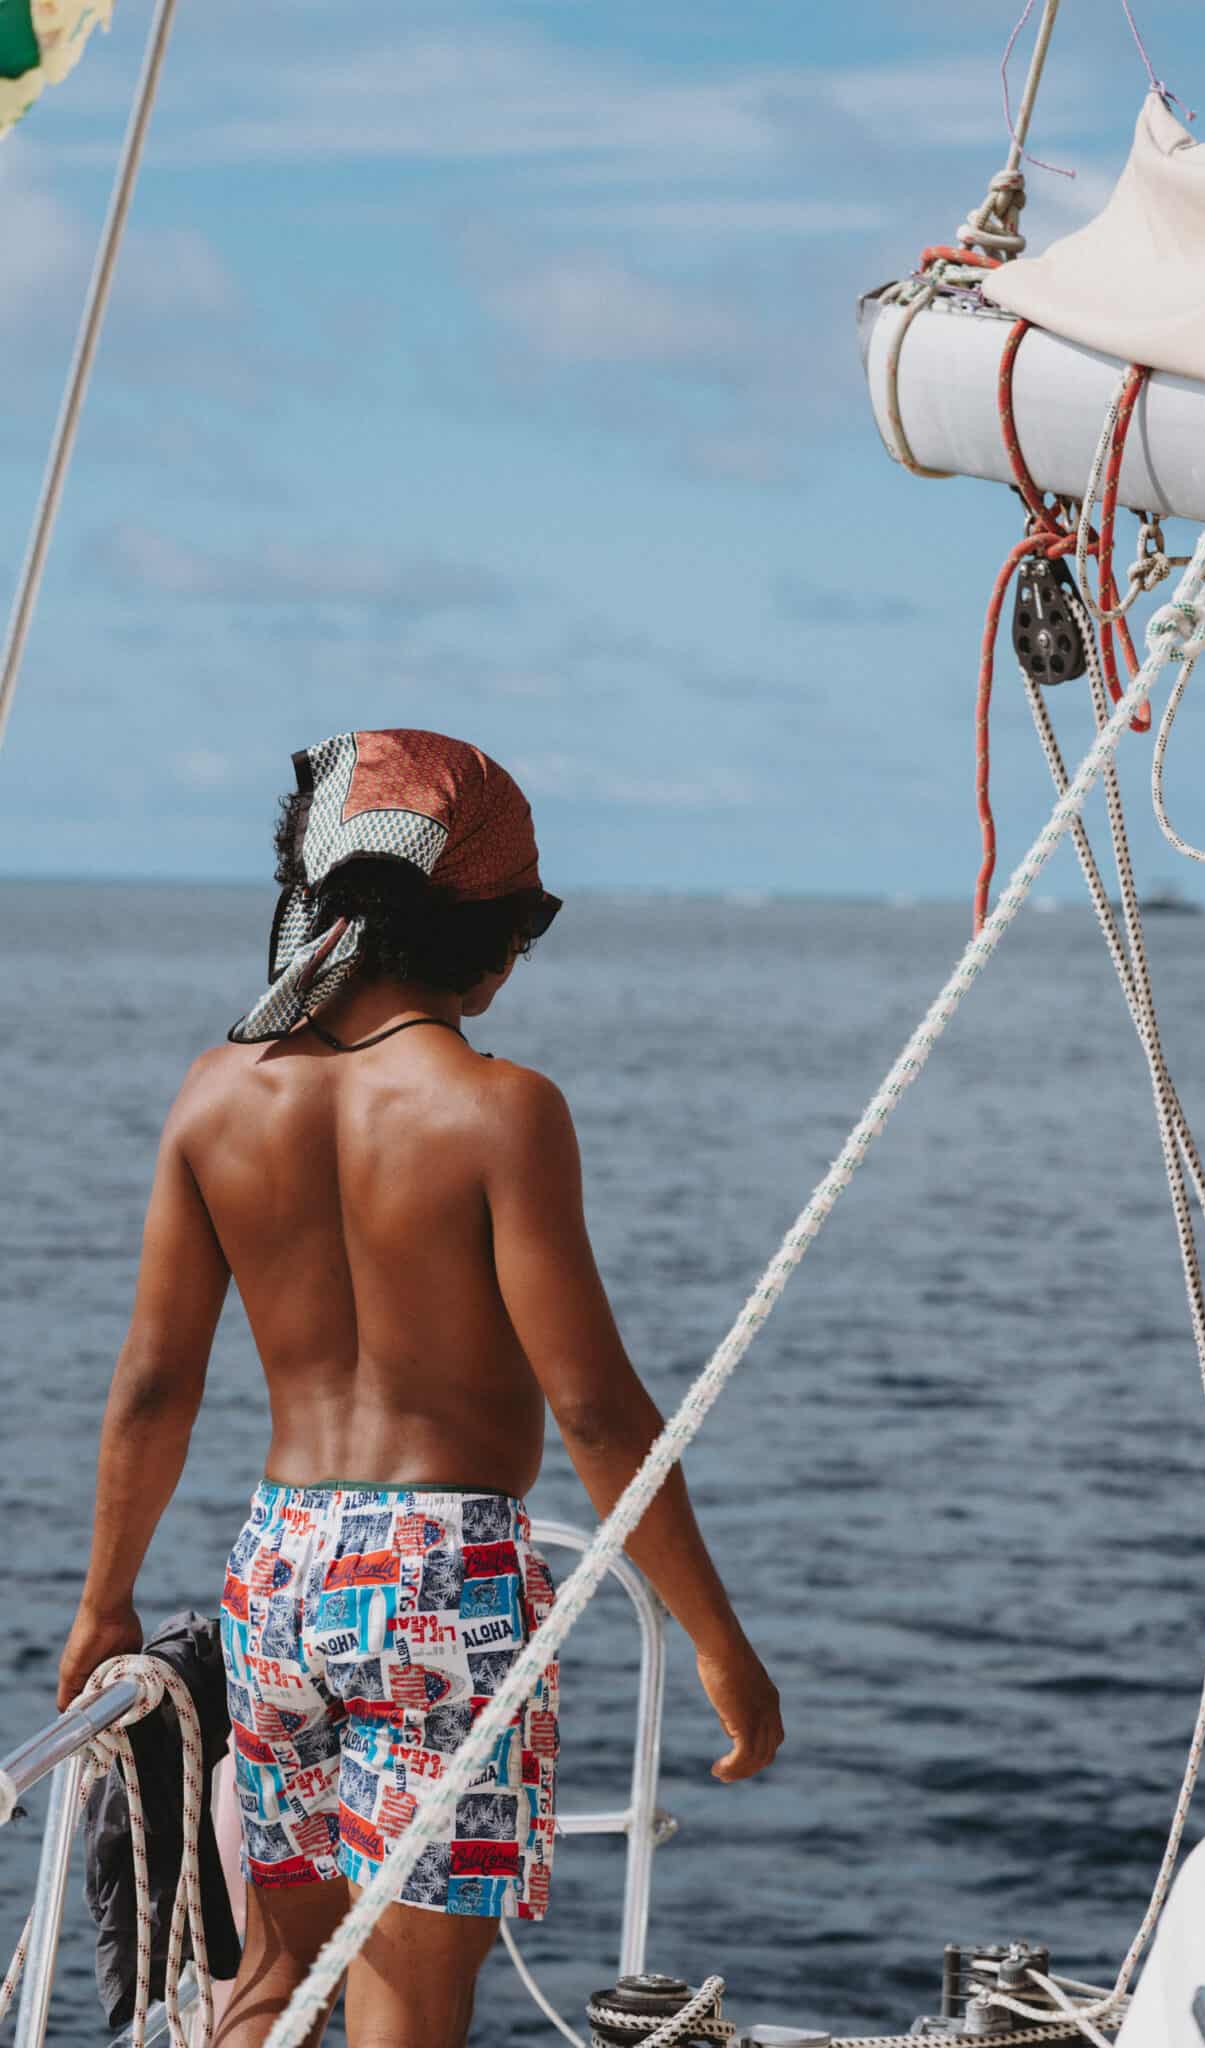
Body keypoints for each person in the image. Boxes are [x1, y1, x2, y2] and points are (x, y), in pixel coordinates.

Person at [57, 729, 783, 2048]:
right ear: (487, 940)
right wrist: (722, 1652)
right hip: (443, 1579)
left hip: (275, 1569)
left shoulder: (218, 1095)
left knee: (267, 1979)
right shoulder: (499, 1112)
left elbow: (157, 1382)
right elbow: (598, 1410)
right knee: (409, 2004)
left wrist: (105, 1597)